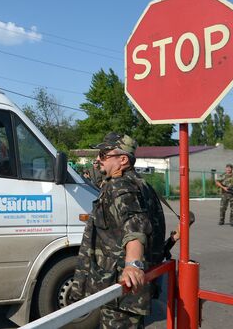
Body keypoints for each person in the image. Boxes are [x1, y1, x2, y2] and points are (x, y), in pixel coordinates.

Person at [70, 132, 165, 329]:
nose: (98, 159)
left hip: (122, 287)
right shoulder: (140, 183)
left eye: (104, 154)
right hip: (126, 288)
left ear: (123, 159)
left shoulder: (120, 186)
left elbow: (135, 225)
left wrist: (133, 264)